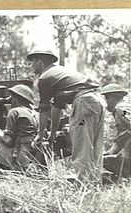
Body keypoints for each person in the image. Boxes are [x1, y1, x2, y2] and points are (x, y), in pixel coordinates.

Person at [28, 48, 106, 183]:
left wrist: (40, 134)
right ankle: (94, 181)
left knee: (82, 143)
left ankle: (85, 185)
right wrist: (52, 135)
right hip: (97, 101)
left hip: (84, 105)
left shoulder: (45, 78)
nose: (31, 66)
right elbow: (57, 108)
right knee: (95, 144)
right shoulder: (61, 73)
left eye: (33, 62)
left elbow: (44, 109)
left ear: (40, 61)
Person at [0, 84, 38, 171]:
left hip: (20, 159)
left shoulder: (15, 112)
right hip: (35, 158)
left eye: (12, 97)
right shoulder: (36, 114)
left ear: (15, 99)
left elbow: (9, 141)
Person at [101, 83, 131, 181]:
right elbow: (123, 135)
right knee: (104, 160)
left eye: (105, 98)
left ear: (111, 98)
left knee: (103, 161)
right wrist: (111, 152)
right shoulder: (122, 110)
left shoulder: (121, 110)